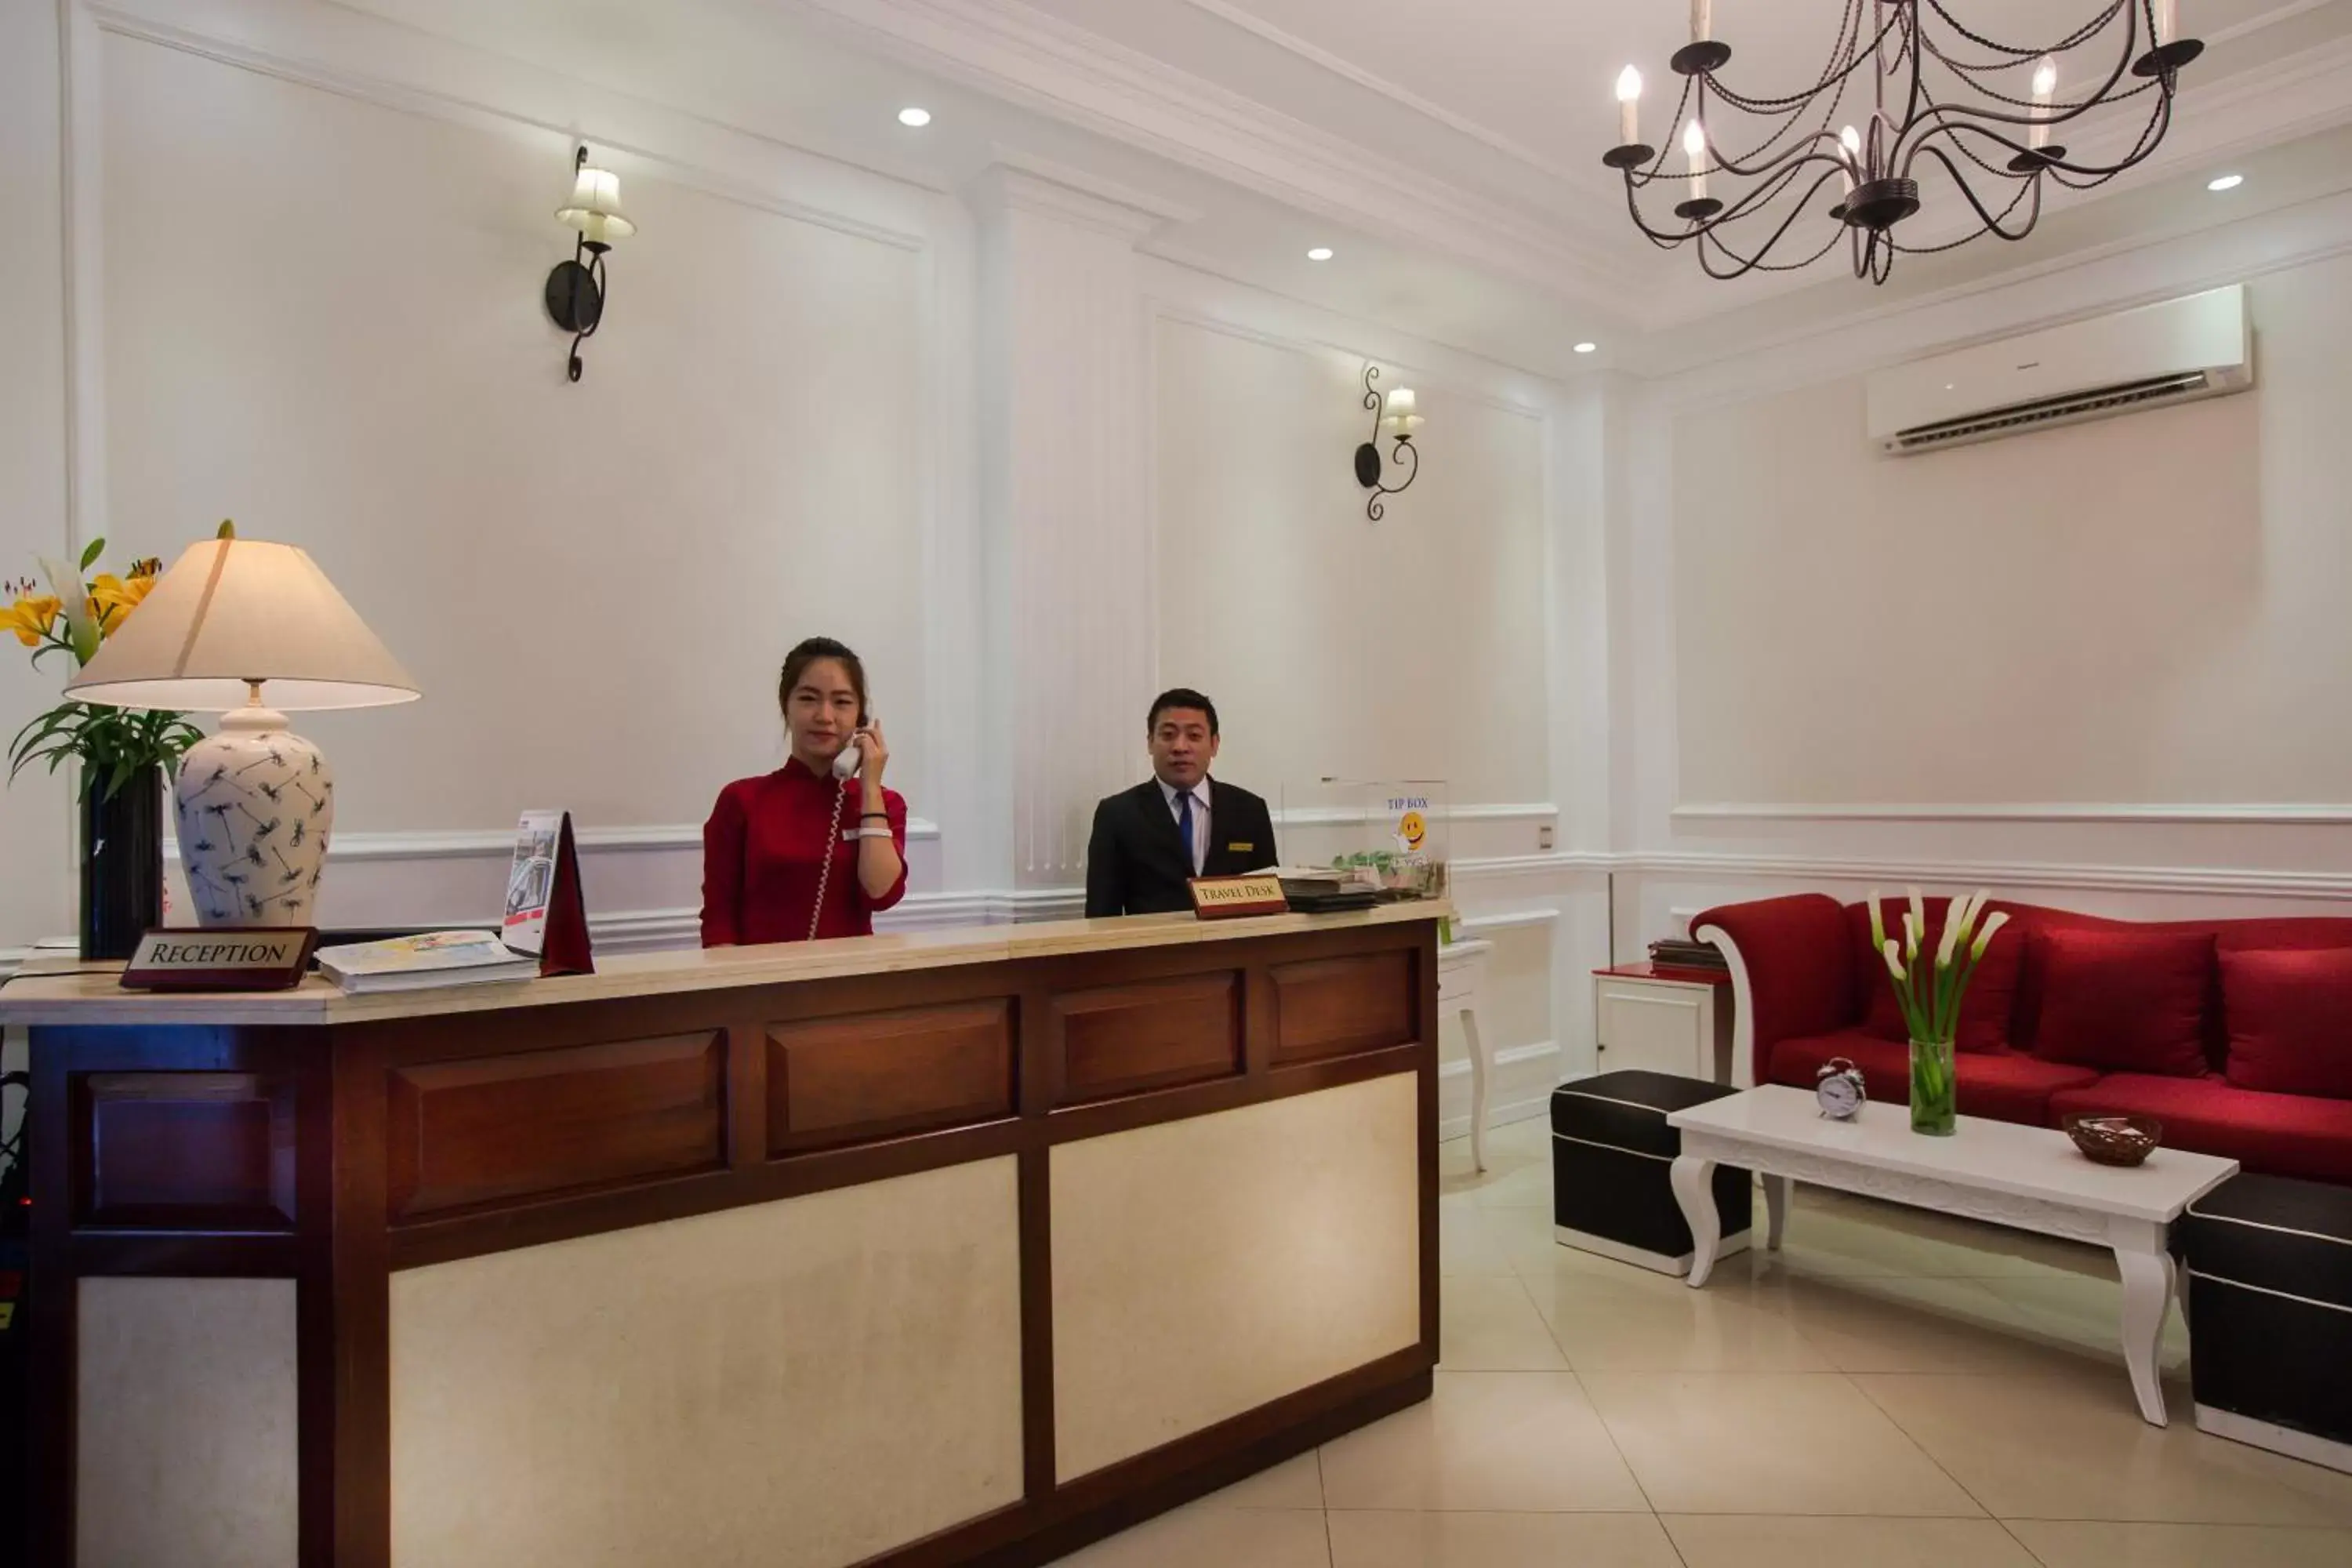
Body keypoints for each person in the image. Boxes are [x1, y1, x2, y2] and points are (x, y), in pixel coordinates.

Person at [701, 637, 909, 946]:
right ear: (786, 705)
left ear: (860, 719)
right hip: (762, 985)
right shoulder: (741, 800)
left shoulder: (883, 804)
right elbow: (719, 920)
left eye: (842, 702)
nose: (825, 716)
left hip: (853, 982)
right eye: (809, 698)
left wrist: (869, 785)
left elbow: (882, 893)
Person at [1084, 687, 1277, 918]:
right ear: (1150, 742)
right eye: (1168, 735)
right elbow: (1100, 916)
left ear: (1214, 744)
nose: (1180, 747)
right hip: (1154, 951)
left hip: (1231, 950)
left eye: (1194, 736)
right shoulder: (1116, 815)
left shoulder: (1249, 811)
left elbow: (1270, 902)